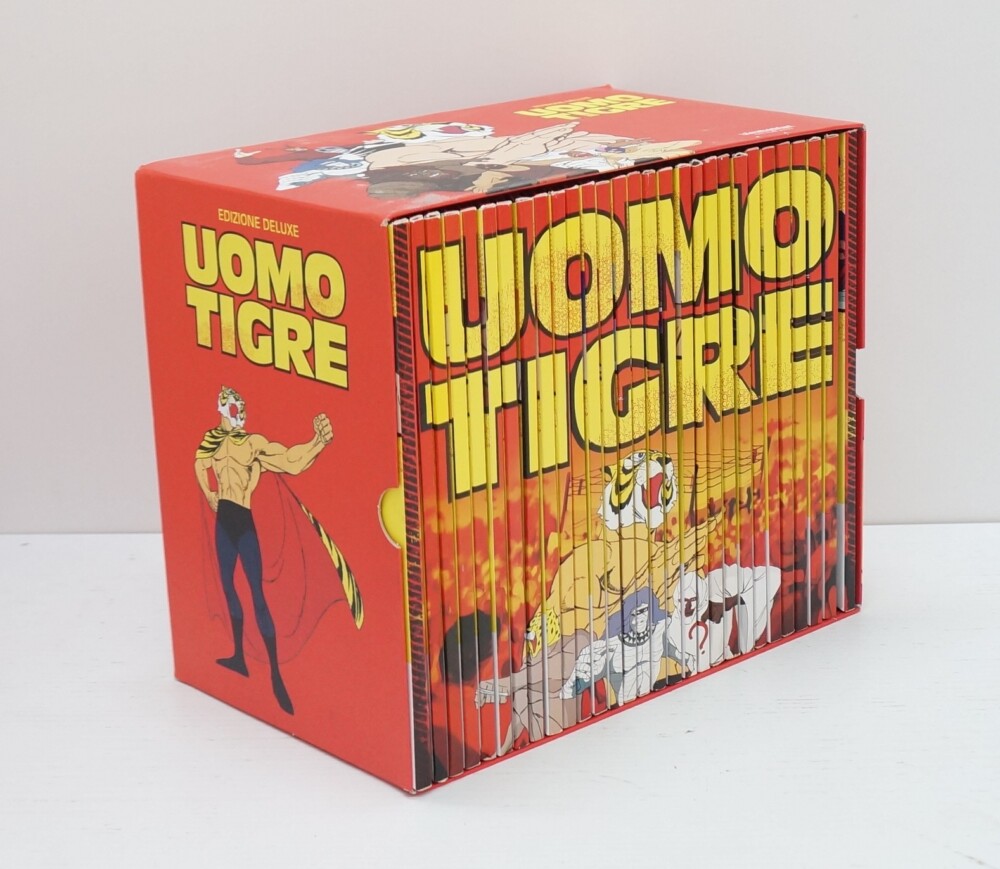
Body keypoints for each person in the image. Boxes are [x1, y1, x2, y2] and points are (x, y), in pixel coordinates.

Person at [194, 386, 334, 714]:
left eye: (242, 407)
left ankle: (275, 675)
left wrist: (317, 442)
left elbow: (290, 461)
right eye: (235, 407)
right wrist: (209, 493)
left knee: (257, 596)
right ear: (222, 408)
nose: (240, 412)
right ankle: (239, 657)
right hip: (223, 521)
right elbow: (200, 464)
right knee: (228, 587)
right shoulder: (212, 441)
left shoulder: (252, 444)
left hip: (243, 521)